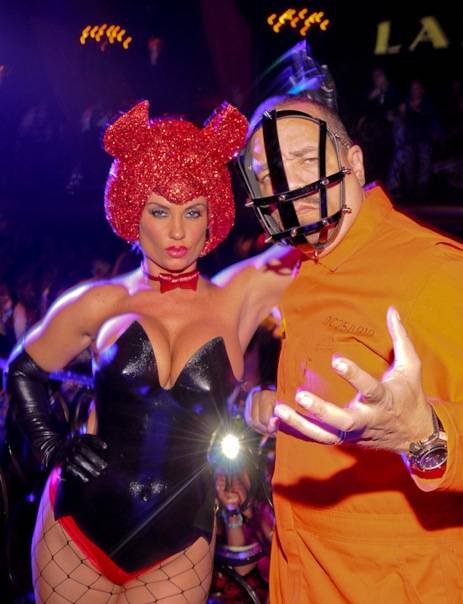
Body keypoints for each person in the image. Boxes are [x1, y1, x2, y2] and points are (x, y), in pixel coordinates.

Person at [218, 94, 463, 602]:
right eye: (267, 174)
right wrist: (272, 403)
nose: (288, 185)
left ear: (354, 162)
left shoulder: (434, 271)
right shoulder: (308, 268)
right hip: (313, 579)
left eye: (303, 159)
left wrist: (425, 435)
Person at [4, 99, 279, 603]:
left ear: (212, 215)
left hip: (180, 545)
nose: (177, 232)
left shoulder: (237, 297)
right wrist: (51, 444)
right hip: (76, 530)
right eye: (159, 211)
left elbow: (321, 246)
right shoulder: (101, 302)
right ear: (133, 212)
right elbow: (23, 369)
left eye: (192, 212)